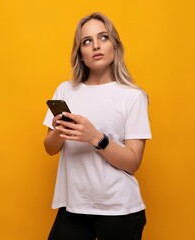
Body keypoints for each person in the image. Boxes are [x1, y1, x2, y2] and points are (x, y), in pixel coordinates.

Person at [43, 12, 151, 240]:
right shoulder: (65, 90)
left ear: (115, 46)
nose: (96, 46)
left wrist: (95, 137)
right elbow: (50, 148)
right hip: (74, 207)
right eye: (87, 41)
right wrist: (60, 131)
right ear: (80, 54)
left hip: (120, 210)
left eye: (103, 37)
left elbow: (133, 163)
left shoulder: (133, 96)